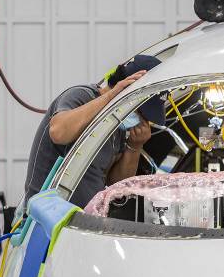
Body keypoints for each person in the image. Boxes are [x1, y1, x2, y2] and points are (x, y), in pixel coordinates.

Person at [23, 55, 165, 207]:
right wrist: (112, 97)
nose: (142, 119)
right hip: (45, 214)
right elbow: (58, 133)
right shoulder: (81, 96)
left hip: (82, 216)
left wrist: (134, 147)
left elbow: (116, 186)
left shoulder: (118, 126)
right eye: (140, 112)